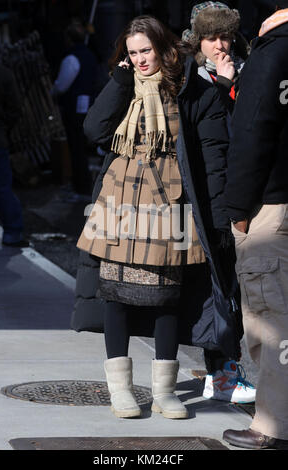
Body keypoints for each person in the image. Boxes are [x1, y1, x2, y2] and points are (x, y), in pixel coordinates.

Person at [74, 15, 240, 420]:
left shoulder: (192, 88)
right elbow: (94, 130)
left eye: (145, 50)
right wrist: (118, 81)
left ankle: (166, 392)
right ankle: (121, 391)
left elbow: (215, 157)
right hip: (120, 199)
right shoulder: (123, 86)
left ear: (163, 47)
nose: (140, 59)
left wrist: (220, 220)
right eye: (133, 53)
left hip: (170, 200)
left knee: (168, 297)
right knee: (114, 295)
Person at [182, 1, 255, 404]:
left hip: (243, 192)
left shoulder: (247, 72)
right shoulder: (193, 78)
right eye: (212, 37)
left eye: (226, 36)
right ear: (198, 41)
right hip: (208, 197)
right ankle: (222, 371)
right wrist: (224, 90)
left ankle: (225, 369)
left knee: (243, 287)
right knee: (219, 287)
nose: (221, 45)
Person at [223, 0, 288, 450]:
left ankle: (271, 426)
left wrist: (238, 209)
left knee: (271, 320)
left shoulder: (273, 51)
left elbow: (253, 133)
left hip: (272, 202)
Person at [51, 22, 98, 197]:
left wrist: (52, 91)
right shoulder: (90, 55)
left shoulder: (71, 58)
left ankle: (81, 185)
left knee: (76, 146)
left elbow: (62, 86)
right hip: (87, 104)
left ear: (68, 39)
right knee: (81, 146)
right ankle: (83, 183)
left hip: (73, 107)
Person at [0, 50, 28, 248]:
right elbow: (15, 110)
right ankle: (12, 233)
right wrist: (4, 128)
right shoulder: (1, 73)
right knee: (2, 187)